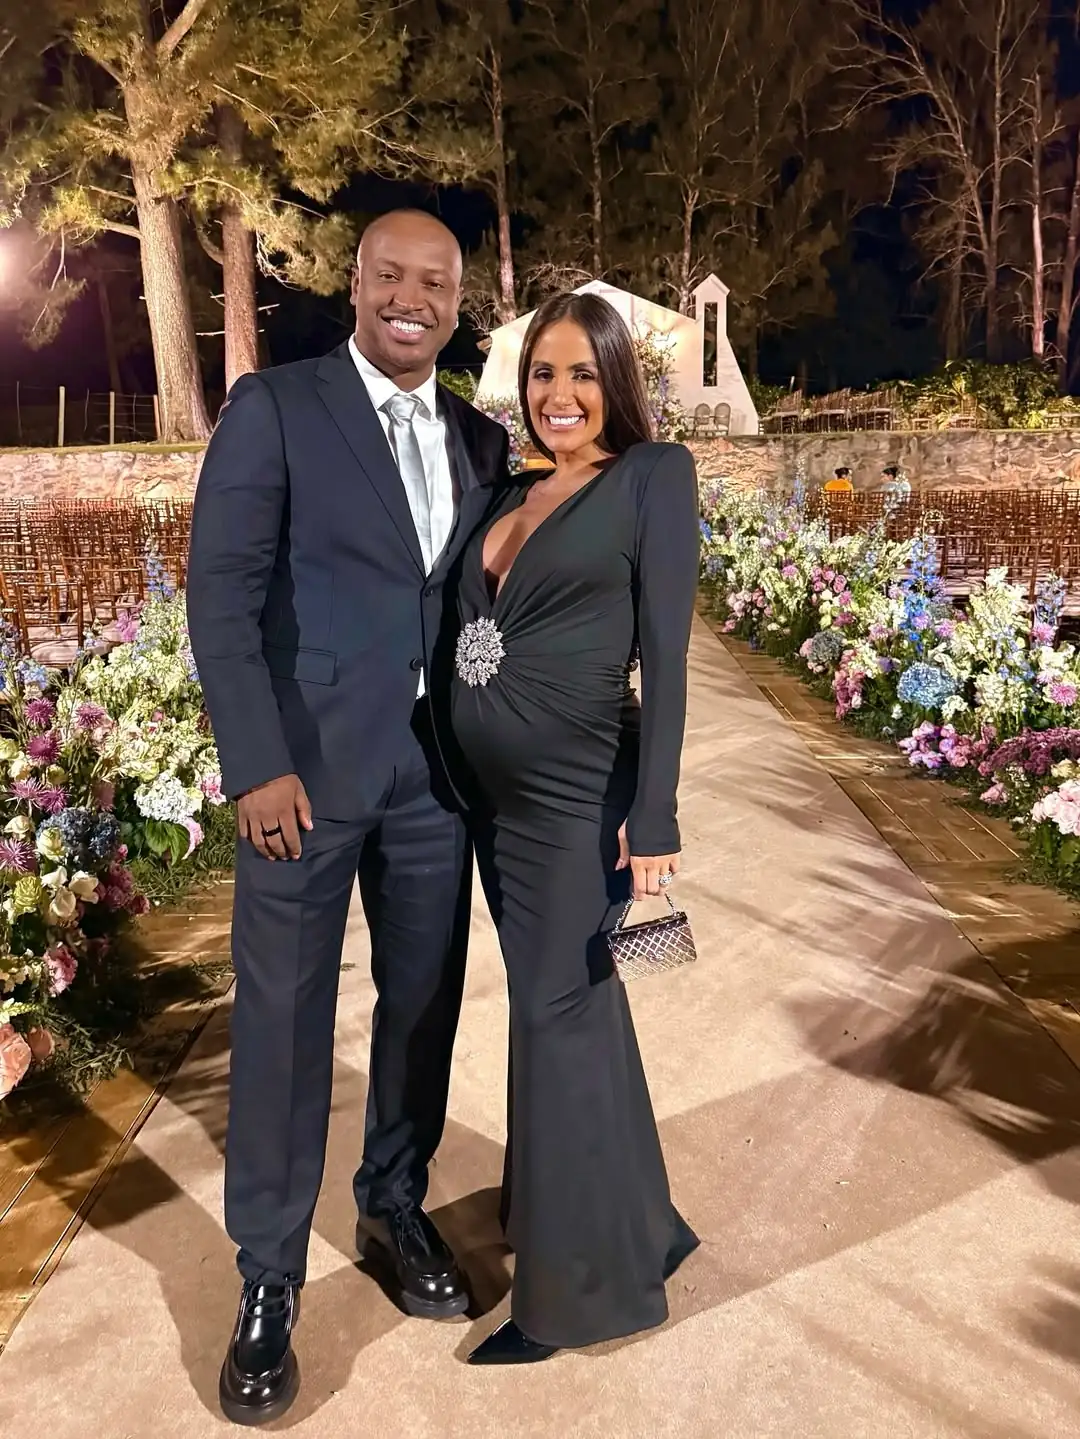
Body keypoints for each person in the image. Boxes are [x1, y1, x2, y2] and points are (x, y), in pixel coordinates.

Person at [186, 209, 509, 1426]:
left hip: (435, 781)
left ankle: (391, 1203)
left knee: (423, 1002)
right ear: (357, 283)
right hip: (303, 780)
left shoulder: (480, 438)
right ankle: (268, 1274)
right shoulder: (277, 408)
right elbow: (220, 595)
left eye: (436, 282)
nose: (411, 297)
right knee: (282, 1022)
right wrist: (255, 763)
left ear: (458, 301)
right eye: (391, 275)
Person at [448, 292, 701, 1365]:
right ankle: (634, 1226)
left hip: (581, 798)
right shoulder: (510, 489)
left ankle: (576, 1293)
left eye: (582, 373)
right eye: (542, 373)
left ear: (616, 381)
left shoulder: (652, 477)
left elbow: (668, 655)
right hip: (495, 806)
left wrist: (656, 811)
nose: (559, 394)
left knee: (556, 1015)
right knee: (573, 1013)